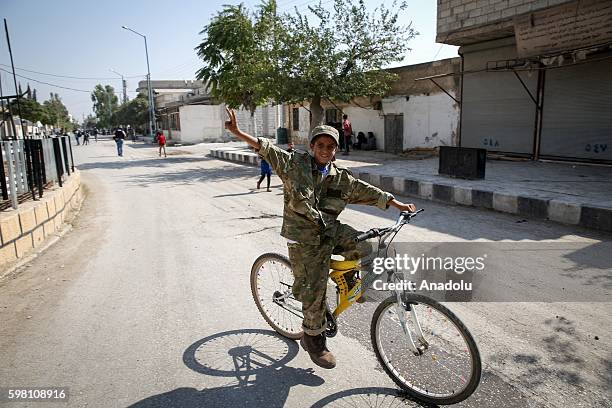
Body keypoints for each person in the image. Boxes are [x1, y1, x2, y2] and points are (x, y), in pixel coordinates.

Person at [224, 108, 416, 369]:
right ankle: (313, 339)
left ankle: (349, 282)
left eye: (331, 146)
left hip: (330, 229)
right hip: (303, 238)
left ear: (336, 149)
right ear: (312, 146)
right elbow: (265, 148)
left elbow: (368, 192)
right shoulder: (293, 165)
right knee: (315, 291)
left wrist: (397, 205)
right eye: (321, 145)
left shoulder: (341, 177)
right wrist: (237, 132)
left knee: (369, 246)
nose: (326, 150)